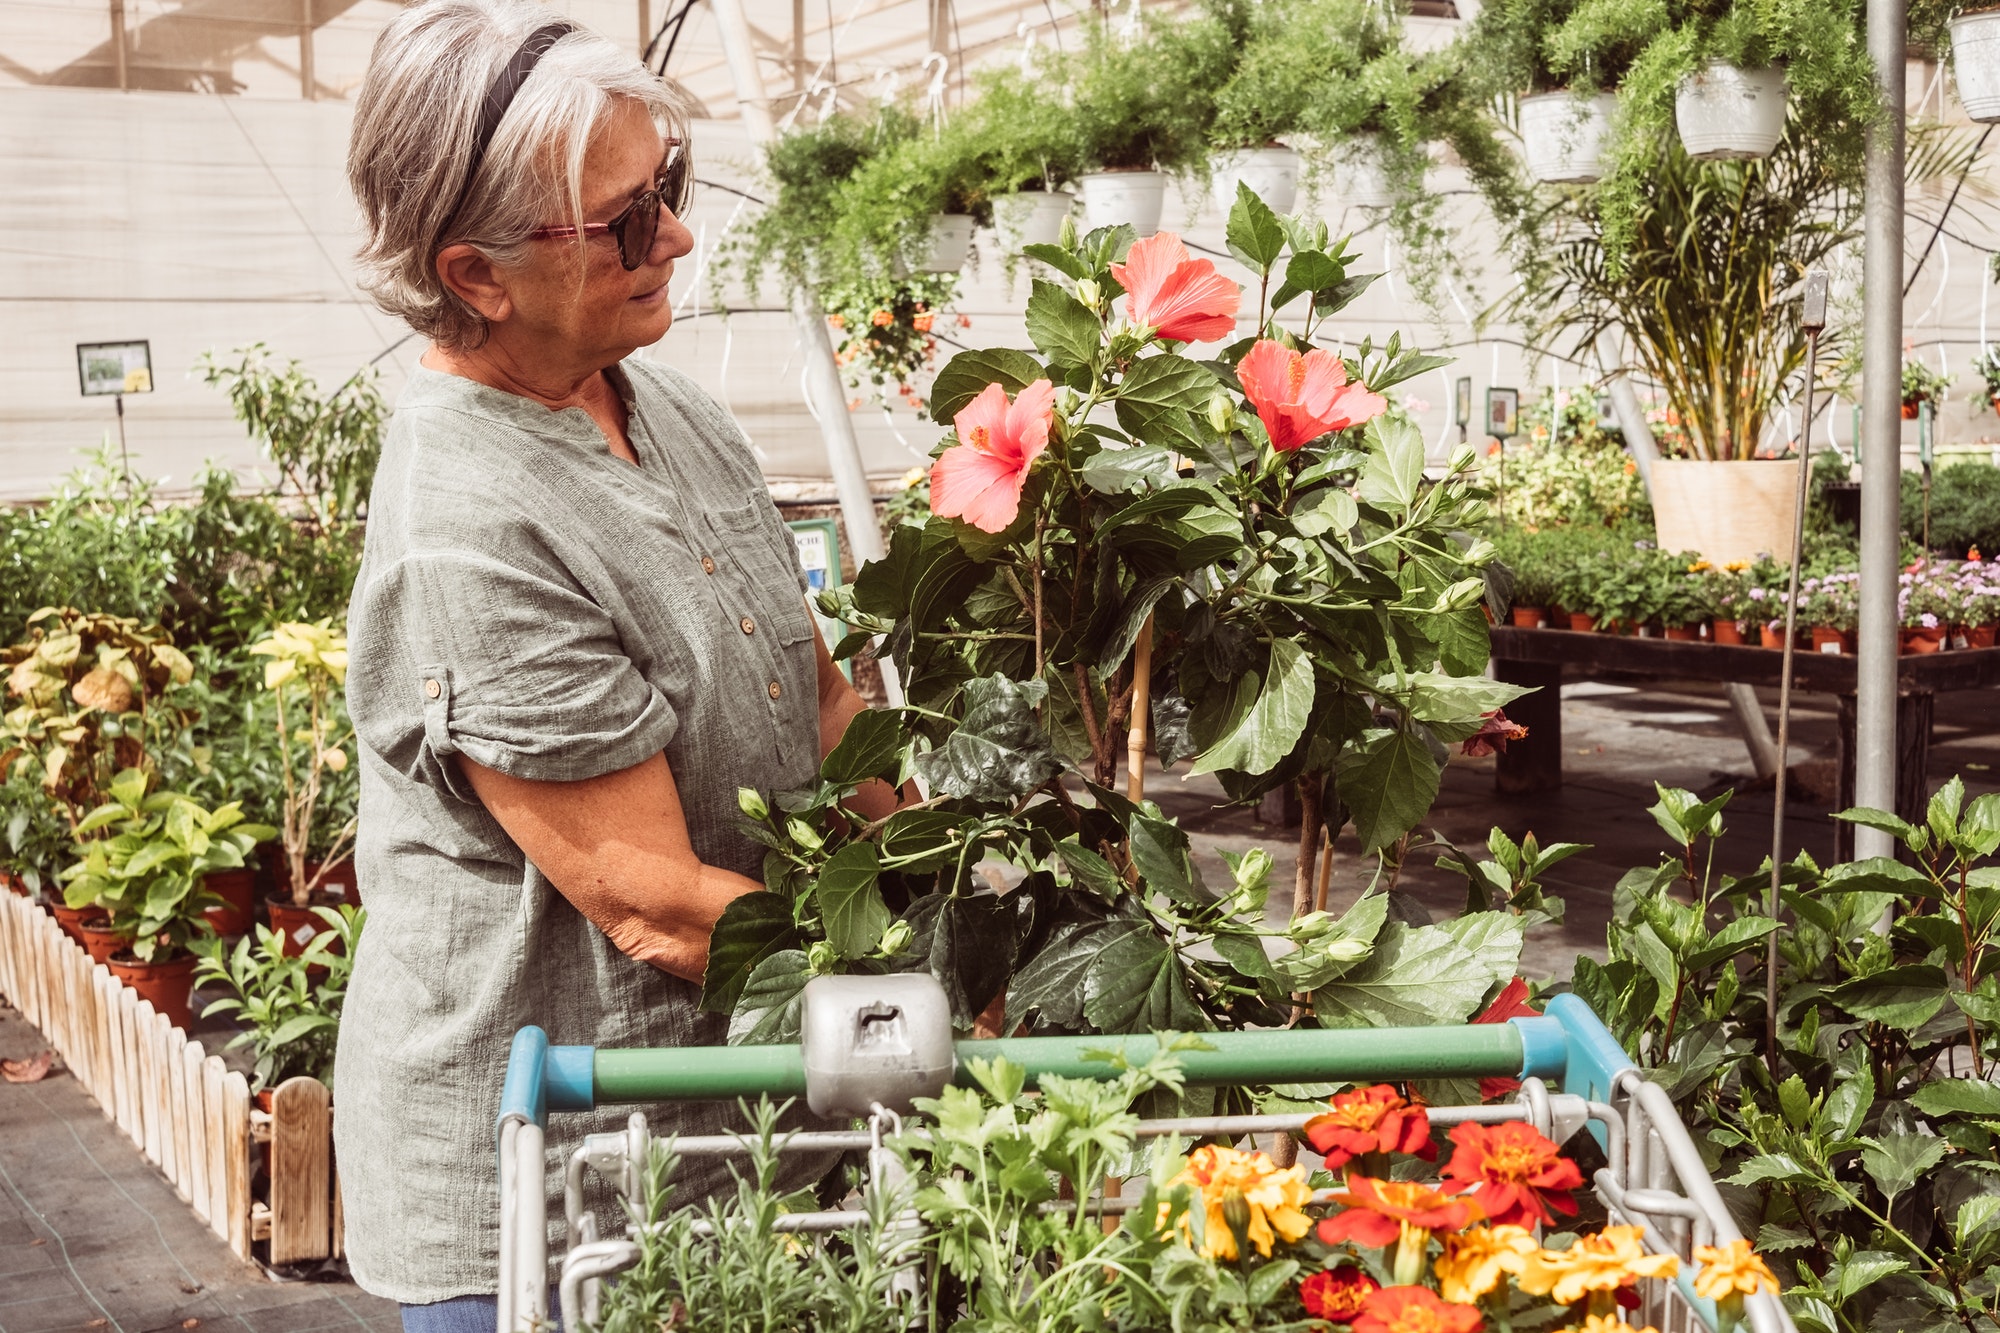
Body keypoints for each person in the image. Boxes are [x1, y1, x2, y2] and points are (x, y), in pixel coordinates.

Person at [336, 4, 903, 1327]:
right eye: (628, 223)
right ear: (474, 275)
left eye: (670, 189)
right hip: (557, 1179)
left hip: (743, 1114)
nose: (681, 239)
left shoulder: (668, 403)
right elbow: (651, 901)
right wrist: (924, 981)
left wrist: (952, 878)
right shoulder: (466, 522)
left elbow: (819, 694)